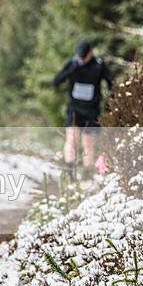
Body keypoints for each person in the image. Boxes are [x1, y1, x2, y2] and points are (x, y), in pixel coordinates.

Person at [53, 39, 114, 181]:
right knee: (71, 139)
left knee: (88, 142)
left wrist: (110, 102)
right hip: (74, 109)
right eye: (79, 57)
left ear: (91, 53)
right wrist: (71, 70)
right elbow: (56, 81)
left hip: (91, 111)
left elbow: (112, 83)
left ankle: (86, 174)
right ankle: (70, 173)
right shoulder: (72, 63)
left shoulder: (99, 65)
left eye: (84, 57)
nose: (81, 60)